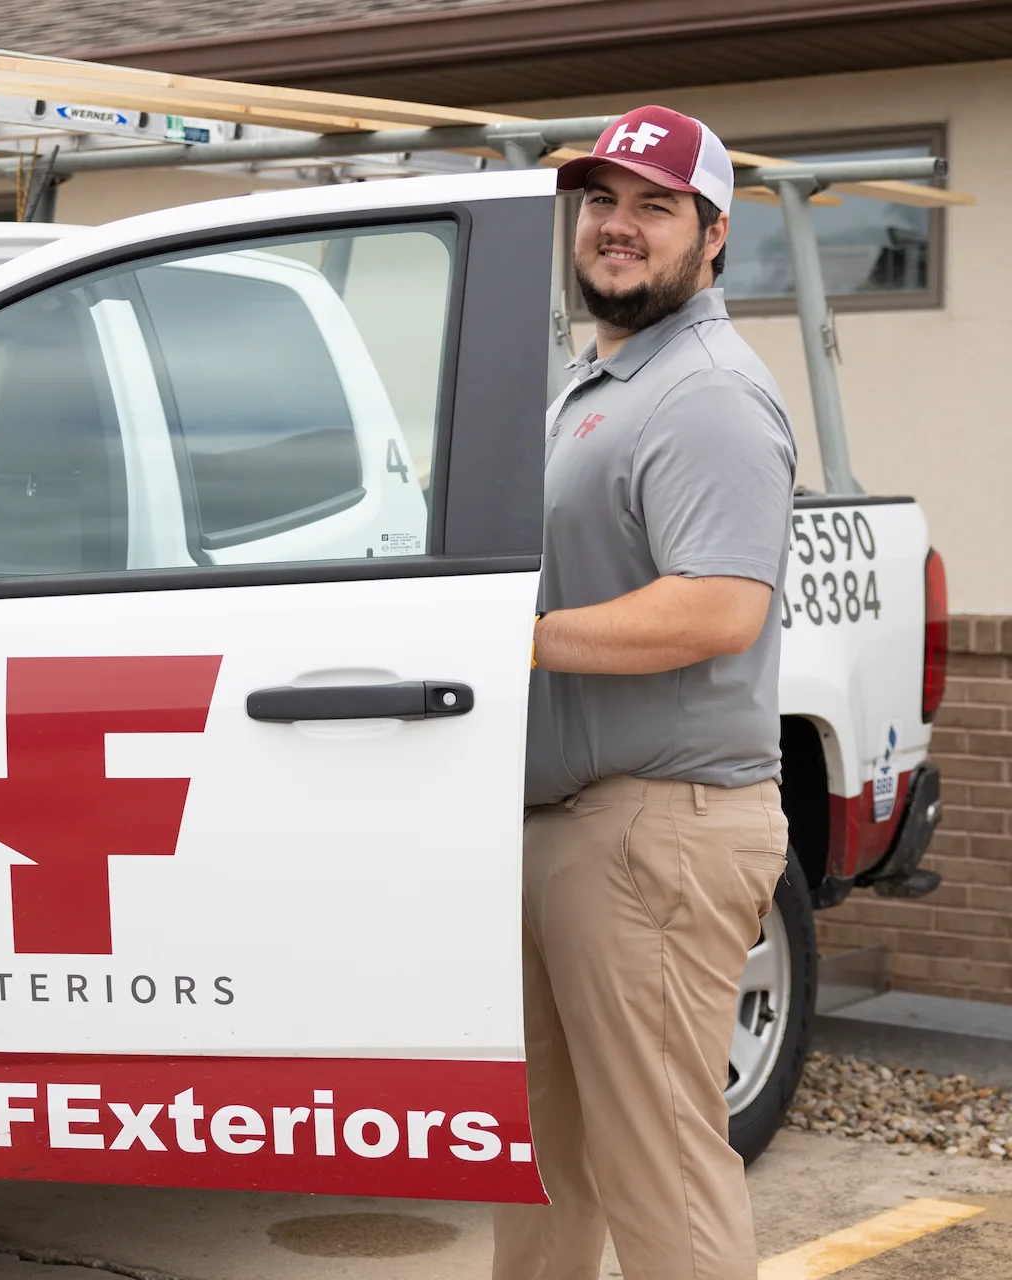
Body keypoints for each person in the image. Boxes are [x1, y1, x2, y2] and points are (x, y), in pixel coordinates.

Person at [494, 106, 798, 1280]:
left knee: (659, 1169)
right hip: (573, 824)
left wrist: (510, 642)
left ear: (714, 236)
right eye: (603, 200)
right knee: (546, 1162)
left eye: (655, 205)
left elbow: (720, 605)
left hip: (653, 828)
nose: (618, 227)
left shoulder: (708, 389)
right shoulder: (605, 372)